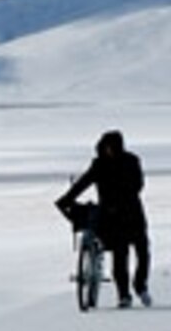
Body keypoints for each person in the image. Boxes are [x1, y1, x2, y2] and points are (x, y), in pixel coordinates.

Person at [58, 129, 151, 307]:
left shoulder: (131, 161)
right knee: (120, 256)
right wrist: (67, 199)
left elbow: (137, 185)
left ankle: (140, 285)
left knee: (143, 252)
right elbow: (83, 183)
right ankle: (123, 295)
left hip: (133, 214)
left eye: (112, 147)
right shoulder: (99, 165)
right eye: (106, 147)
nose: (109, 150)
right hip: (112, 216)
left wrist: (120, 196)